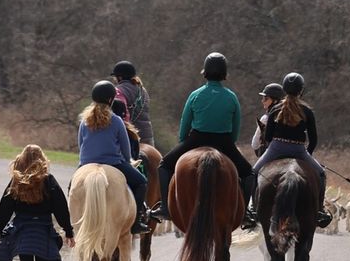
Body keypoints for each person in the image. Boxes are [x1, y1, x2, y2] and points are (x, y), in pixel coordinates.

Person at [159, 51, 255, 214]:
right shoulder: (231, 97)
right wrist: (229, 144)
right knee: (248, 174)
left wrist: (184, 142)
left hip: (196, 139)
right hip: (224, 141)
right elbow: (235, 128)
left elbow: (185, 123)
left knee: (164, 166)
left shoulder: (195, 95)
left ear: (205, 72)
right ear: (224, 74)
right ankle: (244, 212)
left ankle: (165, 208)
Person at [247, 72, 331, 229]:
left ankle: (252, 209)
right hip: (299, 150)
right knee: (321, 174)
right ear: (301, 91)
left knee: (253, 173)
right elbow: (313, 139)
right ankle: (320, 210)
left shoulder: (275, 109)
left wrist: (276, 147)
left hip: (276, 148)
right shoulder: (307, 111)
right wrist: (307, 154)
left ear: (285, 89)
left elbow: (269, 136)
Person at [77, 81, 152, 234]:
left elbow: (80, 144)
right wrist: (128, 161)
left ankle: (74, 220)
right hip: (113, 163)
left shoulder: (84, 120)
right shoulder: (116, 120)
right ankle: (136, 223)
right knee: (141, 183)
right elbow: (125, 148)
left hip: (86, 163)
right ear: (111, 100)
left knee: (73, 186)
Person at [112, 60, 154, 146]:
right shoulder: (143, 90)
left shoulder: (118, 91)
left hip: (130, 137)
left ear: (119, 77)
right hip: (147, 137)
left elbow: (119, 116)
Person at [250, 82, 284, 156]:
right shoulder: (292, 116)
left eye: (266, 98)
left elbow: (255, 144)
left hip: (273, 153)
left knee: (255, 168)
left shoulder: (265, 118)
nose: (262, 101)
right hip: (295, 151)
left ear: (275, 101)